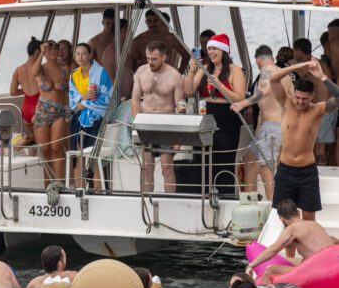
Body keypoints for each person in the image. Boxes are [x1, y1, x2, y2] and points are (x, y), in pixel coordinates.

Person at [269, 59, 339, 220]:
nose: (300, 102)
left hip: (307, 172)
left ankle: (307, 245)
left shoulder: (318, 110)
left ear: (312, 96)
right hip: (285, 170)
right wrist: (297, 66)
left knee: (308, 218)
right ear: (293, 93)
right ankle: (289, 246)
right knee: (285, 218)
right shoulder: (286, 103)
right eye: (298, 97)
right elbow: (273, 79)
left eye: (304, 99)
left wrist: (322, 77)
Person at [185, 34, 246, 195]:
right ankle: (202, 195)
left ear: (223, 51)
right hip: (206, 117)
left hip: (227, 119)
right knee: (203, 160)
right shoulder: (206, 68)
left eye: (214, 49)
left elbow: (240, 98)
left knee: (223, 161)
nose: (210, 52)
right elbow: (189, 91)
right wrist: (192, 70)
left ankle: (225, 195)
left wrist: (220, 87)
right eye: (209, 49)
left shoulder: (235, 70)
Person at [231, 45, 292, 199]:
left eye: (257, 64)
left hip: (271, 128)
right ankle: (250, 198)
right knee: (249, 158)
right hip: (281, 127)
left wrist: (242, 104)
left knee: (267, 172)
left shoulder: (267, 70)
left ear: (259, 61)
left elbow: (263, 92)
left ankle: (273, 204)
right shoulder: (286, 76)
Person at [132, 41, 185, 192]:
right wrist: (136, 124)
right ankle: (147, 202)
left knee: (166, 168)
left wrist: (178, 135)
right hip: (146, 123)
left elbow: (180, 107)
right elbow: (135, 100)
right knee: (147, 168)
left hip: (166, 125)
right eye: (148, 58)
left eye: (154, 59)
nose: (150, 62)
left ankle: (170, 201)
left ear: (164, 57)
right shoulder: (141, 72)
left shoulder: (175, 76)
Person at [245, 199, 336, 281]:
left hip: (320, 272)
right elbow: (333, 240)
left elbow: (273, 250)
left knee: (270, 270)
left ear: (282, 219)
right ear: (298, 212)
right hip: (333, 266)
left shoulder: (292, 229)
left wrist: (251, 265)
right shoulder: (314, 224)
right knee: (288, 260)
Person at [68, 42, 112, 192]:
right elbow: (73, 101)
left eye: (84, 54)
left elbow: (107, 98)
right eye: (77, 54)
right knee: (79, 155)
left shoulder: (100, 73)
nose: (80, 57)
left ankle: (98, 190)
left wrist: (83, 101)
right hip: (79, 118)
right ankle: (78, 190)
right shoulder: (74, 74)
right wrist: (85, 100)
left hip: (97, 119)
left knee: (94, 155)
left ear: (90, 55)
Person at [31, 41, 71, 186]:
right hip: (42, 112)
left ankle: (60, 185)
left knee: (56, 149)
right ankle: (47, 187)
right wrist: (41, 52)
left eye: (55, 47)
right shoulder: (40, 69)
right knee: (45, 150)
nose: (53, 50)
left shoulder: (64, 69)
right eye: (49, 47)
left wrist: (68, 110)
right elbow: (33, 72)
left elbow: (68, 92)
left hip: (59, 112)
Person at [293, 38, 337, 165]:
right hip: (328, 109)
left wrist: (290, 64)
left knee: (318, 148)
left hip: (324, 110)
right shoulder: (317, 63)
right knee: (319, 146)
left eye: (294, 51)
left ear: (298, 51)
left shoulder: (309, 65)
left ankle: (319, 171)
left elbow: (293, 72)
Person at [10, 37, 41, 146]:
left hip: (26, 108)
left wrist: (25, 91)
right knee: (43, 139)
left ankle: (28, 138)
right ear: (37, 52)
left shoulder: (18, 70)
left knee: (38, 137)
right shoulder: (40, 69)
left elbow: (13, 92)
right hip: (38, 105)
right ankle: (28, 138)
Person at [101, 19, 133, 98]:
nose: (132, 33)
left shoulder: (124, 50)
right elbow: (110, 78)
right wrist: (121, 98)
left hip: (127, 97)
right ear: (122, 31)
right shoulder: (110, 52)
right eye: (129, 30)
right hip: (118, 100)